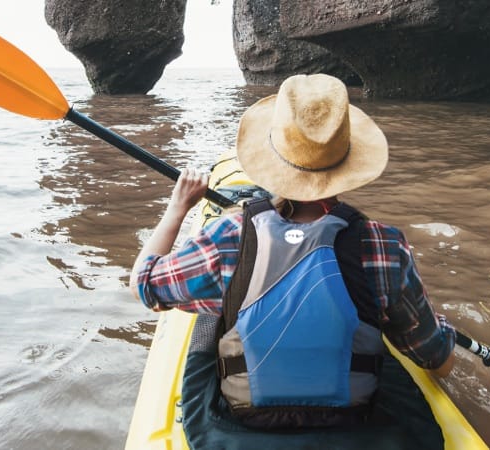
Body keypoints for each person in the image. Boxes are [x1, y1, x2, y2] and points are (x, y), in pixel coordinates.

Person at [129, 74, 457, 430]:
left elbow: (144, 285)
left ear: (274, 160)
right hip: (350, 414)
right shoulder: (385, 244)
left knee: (213, 315)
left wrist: (178, 208)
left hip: (249, 414)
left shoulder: (228, 236)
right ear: (349, 163)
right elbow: (436, 357)